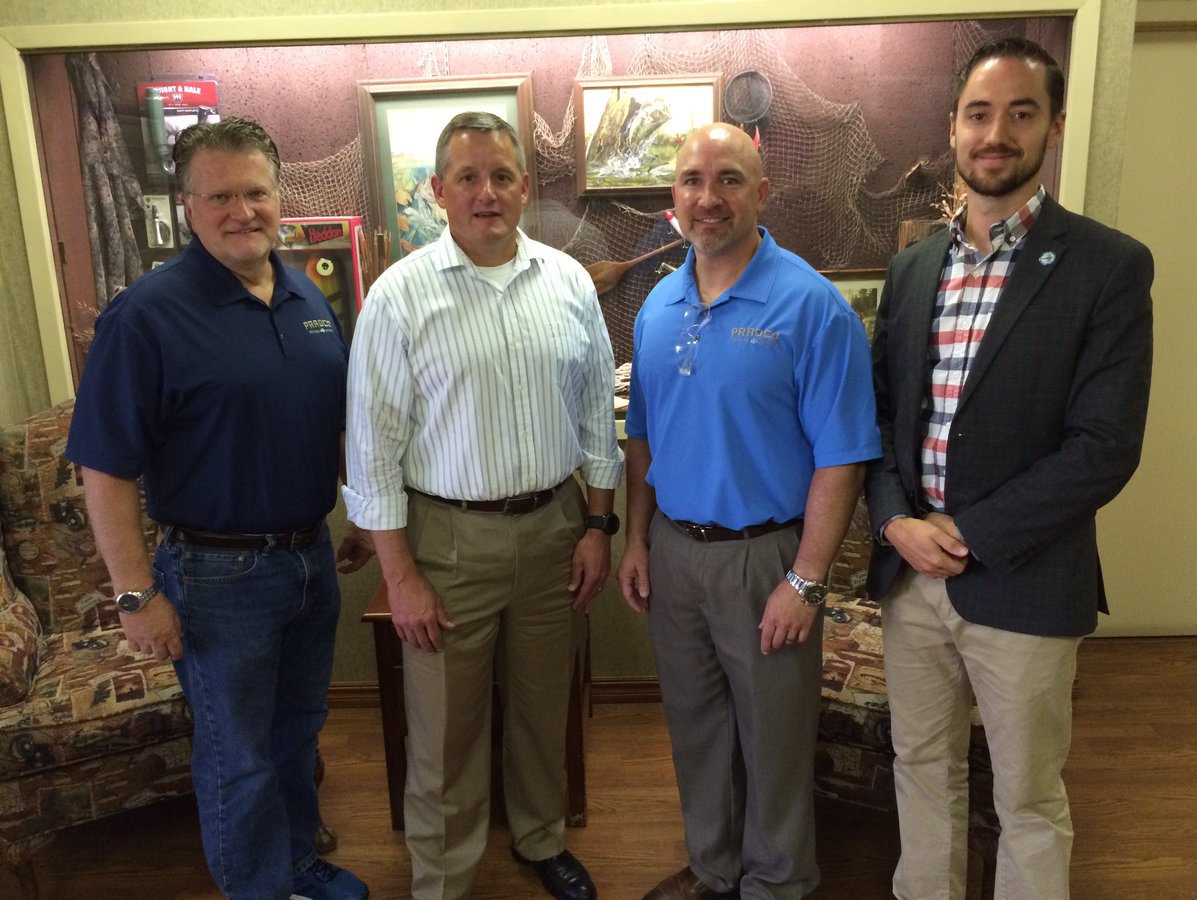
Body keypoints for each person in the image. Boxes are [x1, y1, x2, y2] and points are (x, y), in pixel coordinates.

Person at [866, 38, 1154, 900]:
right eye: (979, 114)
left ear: (1054, 127)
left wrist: (968, 533)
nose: (996, 134)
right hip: (910, 578)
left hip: (1026, 578)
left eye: (1021, 114)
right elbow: (881, 421)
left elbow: (1104, 445)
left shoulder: (1108, 265)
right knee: (921, 769)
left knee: (1027, 799)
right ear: (953, 127)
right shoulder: (912, 268)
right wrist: (895, 521)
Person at [66, 117, 372, 900]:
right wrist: (136, 594)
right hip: (215, 577)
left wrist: (362, 515)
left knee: (297, 731)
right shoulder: (145, 315)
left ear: (280, 196)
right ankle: (259, 889)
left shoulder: (306, 294)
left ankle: (296, 864)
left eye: (256, 192)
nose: (242, 211)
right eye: (220, 197)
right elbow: (105, 468)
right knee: (240, 756)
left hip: (309, 558)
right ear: (188, 206)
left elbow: (332, 419)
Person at [343, 111, 623, 900]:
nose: (486, 192)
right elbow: (372, 449)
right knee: (444, 728)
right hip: (447, 541)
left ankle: (540, 838)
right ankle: (442, 878)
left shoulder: (568, 283)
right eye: (467, 177)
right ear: (438, 191)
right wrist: (400, 577)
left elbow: (594, 414)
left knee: (542, 706)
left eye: (501, 176)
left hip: (555, 528)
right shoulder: (398, 298)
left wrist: (598, 526)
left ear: (524, 186)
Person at [617, 123, 881, 900]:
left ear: (762, 192)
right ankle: (714, 871)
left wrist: (806, 581)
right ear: (673, 199)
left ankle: (777, 883)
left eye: (729, 179)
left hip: (766, 559)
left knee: (773, 740)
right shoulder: (657, 306)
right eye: (692, 180)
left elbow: (843, 457)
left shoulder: (811, 306)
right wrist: (636, 541)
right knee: (696, 728)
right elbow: (641, 438)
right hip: (674, 554)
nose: (709, 197)